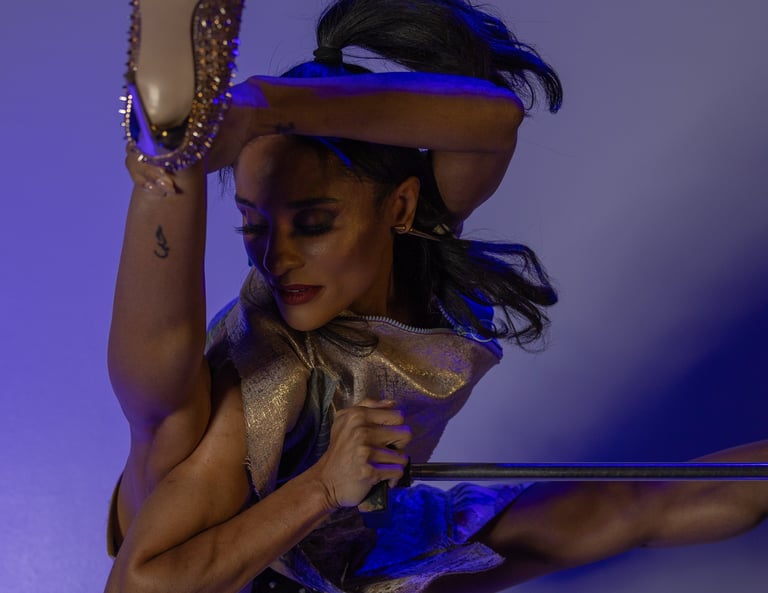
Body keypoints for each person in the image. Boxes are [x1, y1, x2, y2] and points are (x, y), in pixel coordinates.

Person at [105, 1, 768, 592]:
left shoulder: (422, 239)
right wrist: (323, 487)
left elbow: (495, 119)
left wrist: (260, 108)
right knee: (167, 421)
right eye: (253, 225)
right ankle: (170, 155)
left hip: (357, 544)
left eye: (313, 223)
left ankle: (176, 141)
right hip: (249, 562)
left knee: (620, 507)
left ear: (400, 207)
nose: (275, 258)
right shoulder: (267, 384)